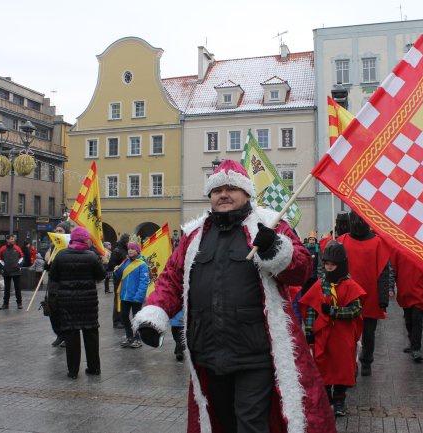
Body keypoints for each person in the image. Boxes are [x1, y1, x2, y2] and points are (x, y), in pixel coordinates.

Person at [132, 160, 336, 433]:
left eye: (231, 188)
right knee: (222, 423)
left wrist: (275, 248)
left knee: (251, 424)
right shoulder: (193, 235)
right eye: (217, 190)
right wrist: (155, 314)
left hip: (256, 354)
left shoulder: (269, 224)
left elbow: (302, 268)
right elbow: (171, 279)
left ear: (247, 193)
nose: (224, 194)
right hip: (208, 352)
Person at [297, 240, 366, 417]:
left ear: (340, 265)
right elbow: (311, 309)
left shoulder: (351, 286)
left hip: (342, 337)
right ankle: (326, 396)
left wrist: (335, 311)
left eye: (332, 265)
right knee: (323, 366)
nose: (328, 267)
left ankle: (340, 400)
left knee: (342, 368)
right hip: (323, 335)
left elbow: (356, 310)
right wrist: (309, 331)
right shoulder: (320, 285)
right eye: (326, 264)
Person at [337, 211, 391, 377]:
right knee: (349, 335)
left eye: (361, 219)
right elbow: (335, 270)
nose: (358, 223)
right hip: (348, 297)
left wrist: (383, 297)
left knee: (368, 334)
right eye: (355, 220)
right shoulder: (342, 242)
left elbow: (383, 272)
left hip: (371, 298)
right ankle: (350, 364)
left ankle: (366, 360)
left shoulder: (378, 243)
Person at [49, 226, 106, 379]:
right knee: (91, 335)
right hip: (88, 302)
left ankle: (73, 371)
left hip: (68, 302)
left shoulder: (61, 255)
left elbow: (53, 277)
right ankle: (94, 368)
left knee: (71, 336)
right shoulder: (91, 256)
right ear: (85, 239)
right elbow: (101, 276)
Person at [390, 248, 423, 363]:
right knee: (409, 320)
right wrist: (390, 287)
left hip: (421, 293)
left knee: (417, 320)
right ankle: (412, 342)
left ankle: (416, 348)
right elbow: (392, 270)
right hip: (405, 292)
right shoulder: (398, 250)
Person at [113, 241, 150, 348]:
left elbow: (144, 282)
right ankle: (129, 336)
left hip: (136, 297)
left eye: (132, 249)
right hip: (125, 296)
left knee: (136, 319)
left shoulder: (142, 265)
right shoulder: (126, 262)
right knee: (124, 317)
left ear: (137, 251)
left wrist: (138, 296)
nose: (130, 250)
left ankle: (138, 339)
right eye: (129, 248)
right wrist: (117, 270)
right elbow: (120, 276)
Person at [44, 222, 70, 347]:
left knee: (63, 312)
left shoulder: (68, 247)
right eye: (57, 230)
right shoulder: (53, 247)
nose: (58, 233)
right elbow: (48, 265)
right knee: (52, 312)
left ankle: (66, 335)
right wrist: (47, 264)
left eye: (60, 231)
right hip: (53, 285)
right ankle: (59, 334)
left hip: (64, 284)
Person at [0, 235, 24, 309]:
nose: (13, 240)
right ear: (7, 240)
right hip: (7, 271)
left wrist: (18, 266)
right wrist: (4, 267)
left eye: (13, 239)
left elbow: (22, 257)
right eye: (12, 239)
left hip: (16, 271)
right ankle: (5, 304)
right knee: (7, 289)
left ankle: (19, 303)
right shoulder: (2, 249)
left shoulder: (17, 248)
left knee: (17, 288)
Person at [109, 233, 129, 328]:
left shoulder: (127, 250)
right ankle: (116, 321)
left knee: (125, 300)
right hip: (119, 279)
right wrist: (116, 267)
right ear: (125, 241)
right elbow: (111, 265)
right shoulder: (117, 250)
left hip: (127, 278)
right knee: (118, 299)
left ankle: (123, 319)